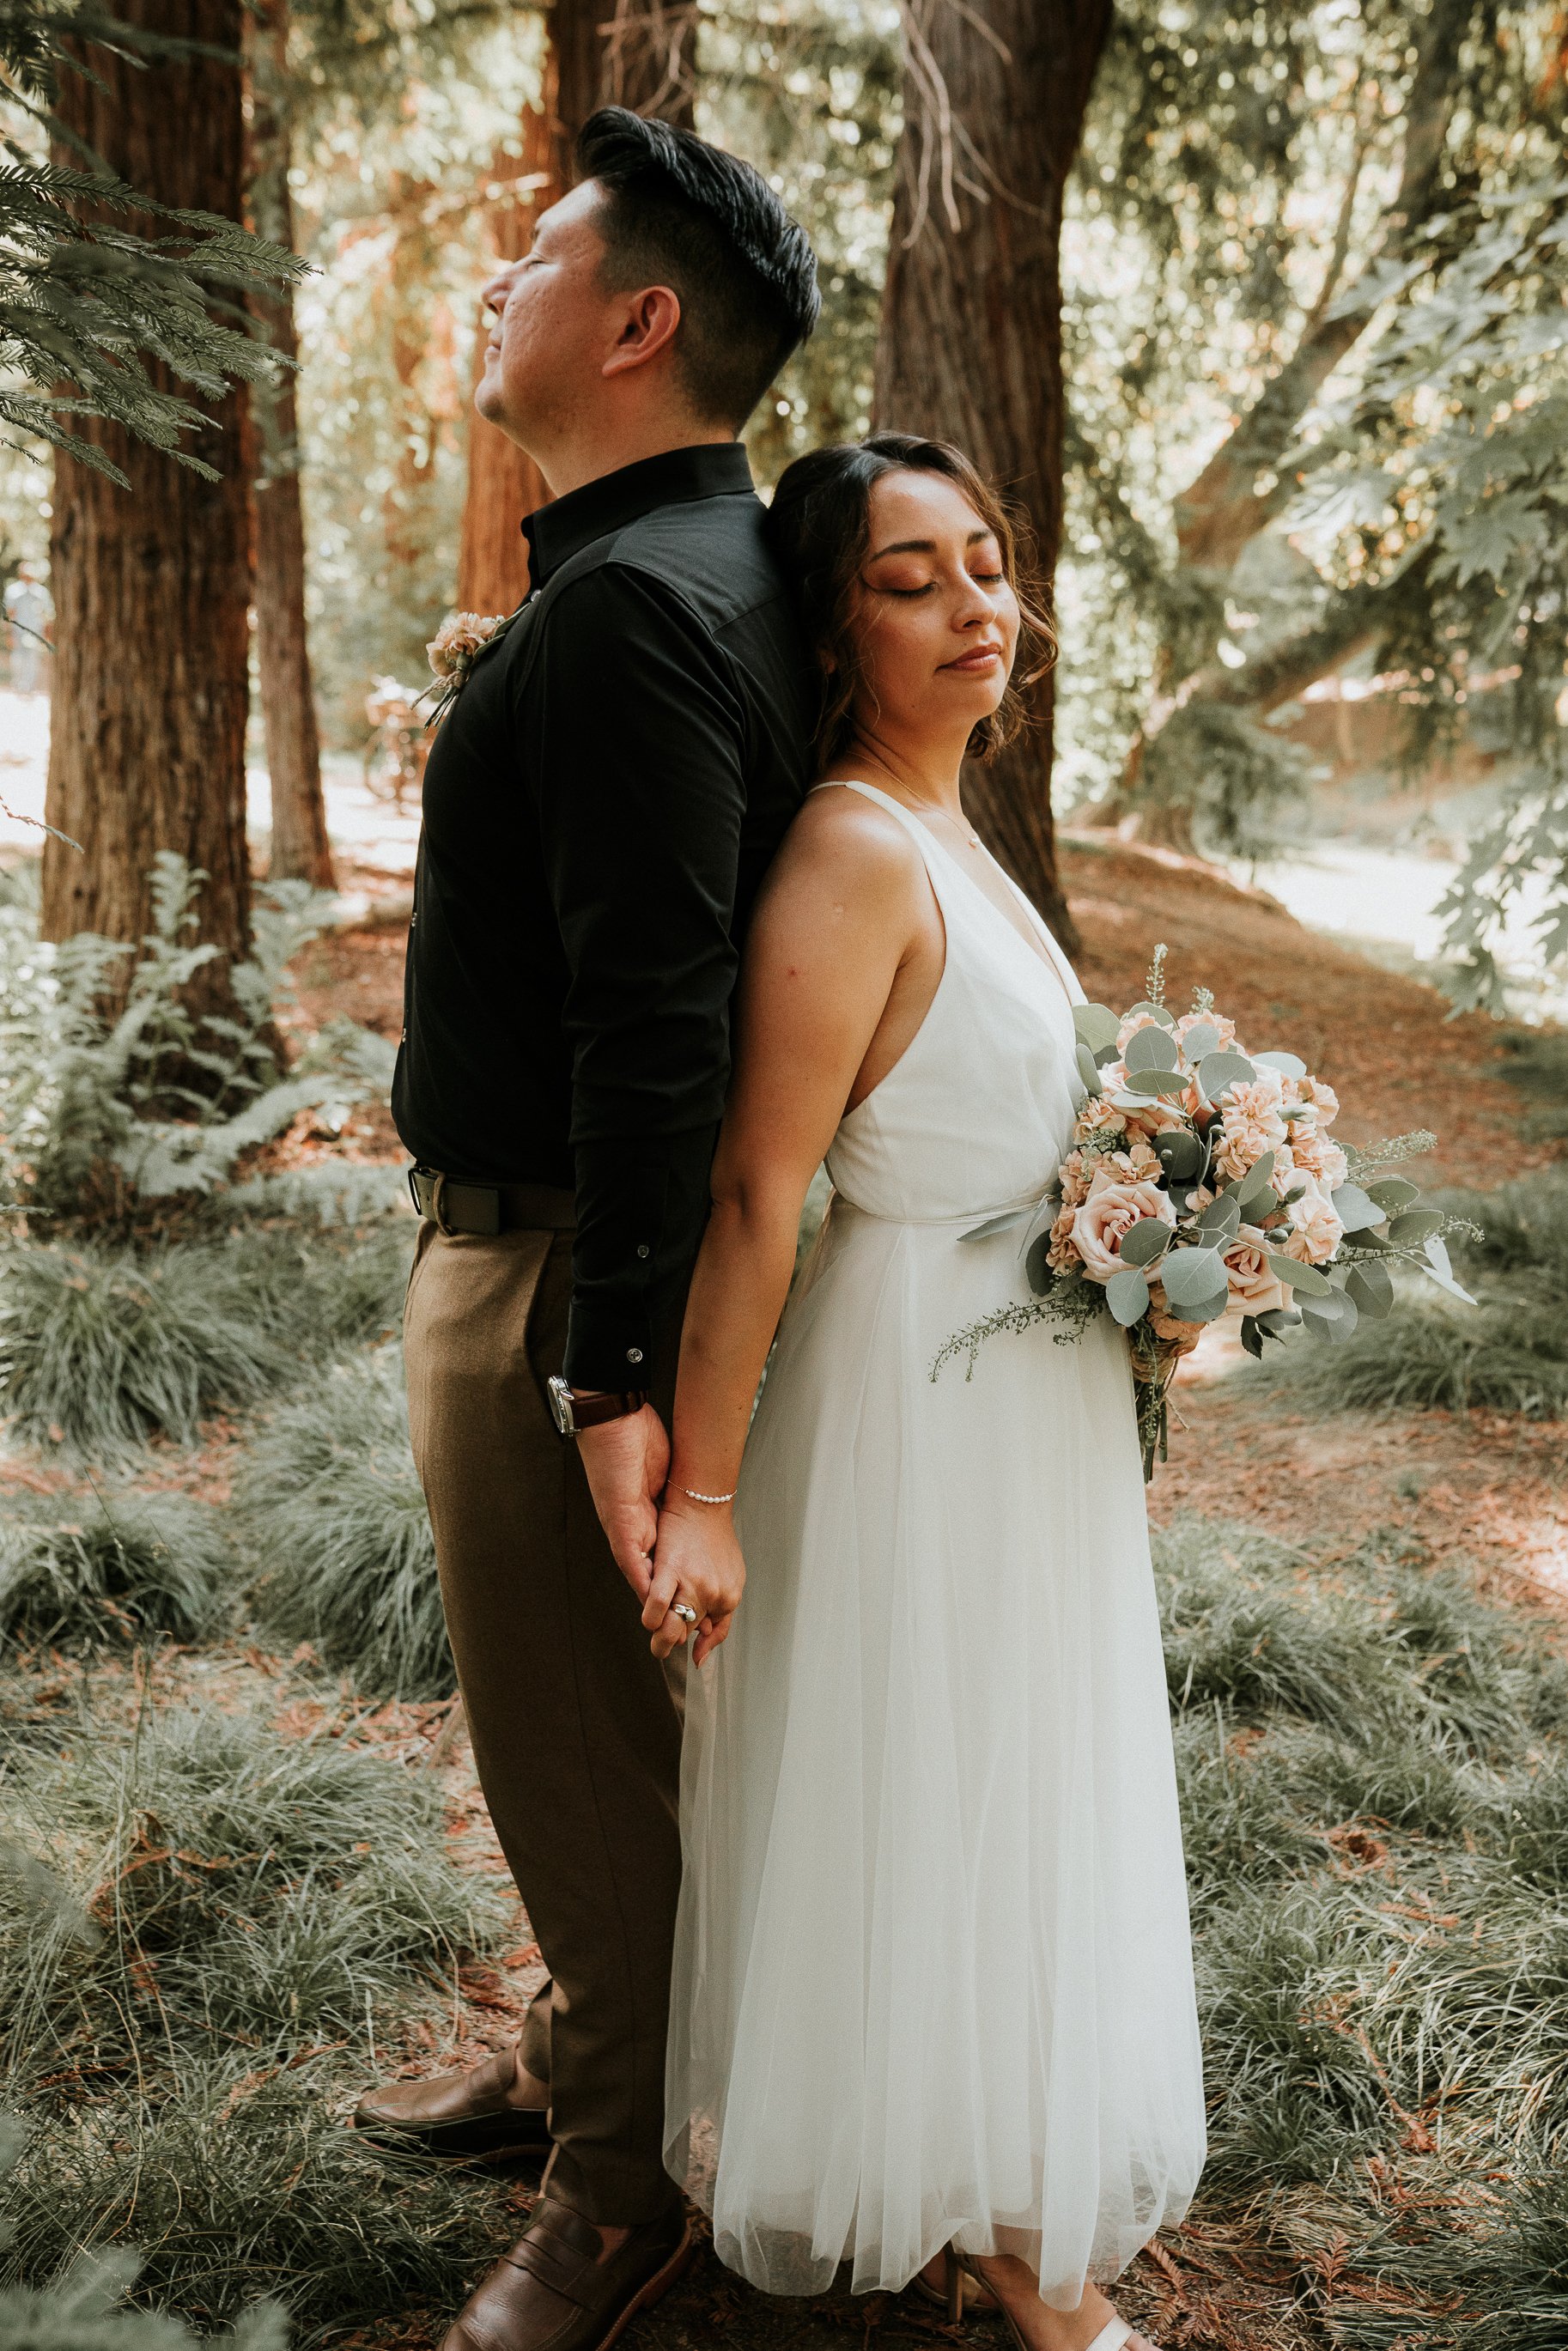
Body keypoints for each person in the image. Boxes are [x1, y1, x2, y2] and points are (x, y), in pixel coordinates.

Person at [647, 436, 1206, 2351]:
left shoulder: (952, 827)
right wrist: (702, 1493)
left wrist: (1174, 1247)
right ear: (834, 622)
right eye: (912, 578)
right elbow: (757, 1190)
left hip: (1028, 1392)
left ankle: (992, 2186)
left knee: (1002, 1786)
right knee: (935, 1783)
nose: (978, 605)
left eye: (987, 562)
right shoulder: (850, 847)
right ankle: (1027, 2272)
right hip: (913, 1405)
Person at [368, 108, 819, 2351]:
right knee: (582, 1735)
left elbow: (661, 1030)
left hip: (549, 1261)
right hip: (554, 1242)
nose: (496, 284)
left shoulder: (640, 609)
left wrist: (609, 1374)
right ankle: (579, 2054)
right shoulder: (685, 565)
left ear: (636, 321)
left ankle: (618, 2187)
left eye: (536, 256)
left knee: (574, 1745)